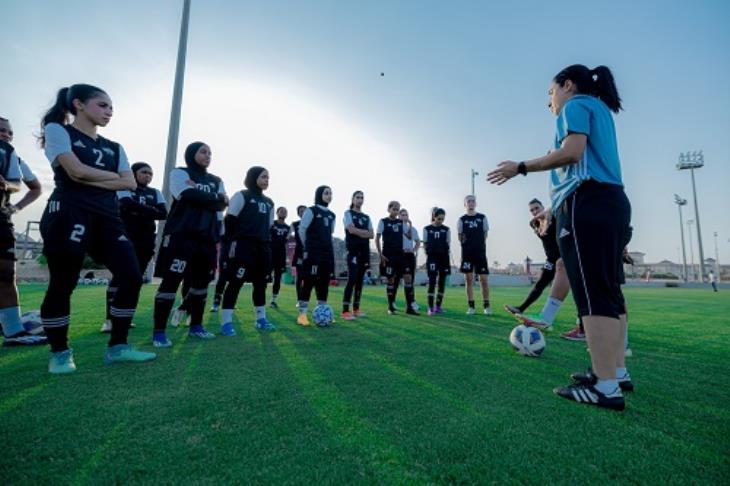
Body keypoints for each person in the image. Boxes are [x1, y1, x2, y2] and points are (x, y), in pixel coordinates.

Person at [488, 64, 632, 410]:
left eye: (550, 93)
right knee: (610, 291)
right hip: (609, 201)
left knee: (593, 294)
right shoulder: (599, 109)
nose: (549, 102)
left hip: (588, 202)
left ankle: (605, 387)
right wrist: (555, 208)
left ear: (567, 85)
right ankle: (616, 372)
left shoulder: (576, 106)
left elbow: (572, 153)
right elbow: (581, 166)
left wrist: (519, 167)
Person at [39, 84, 156, 373]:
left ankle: (118, 347)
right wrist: (109, 176)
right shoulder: (58, 130)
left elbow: (129, 183)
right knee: (63, 282)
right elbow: (74, 171)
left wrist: (90, 176)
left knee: (130, 275)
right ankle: (60, 353)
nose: (109, 111)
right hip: (69, 212)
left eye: (111, 107)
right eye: (102, 105)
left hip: (107, 216)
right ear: (78, 104)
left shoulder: (115, 147)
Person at [152, 141, 227, 347]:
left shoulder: (216, 180)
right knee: (171, 282)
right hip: (182, 236)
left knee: (201, 285)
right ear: (192, 153)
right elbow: (185, 194)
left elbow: (223, 203)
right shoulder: (179, 173)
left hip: (207, 239)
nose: (208, 155)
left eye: (210, 152)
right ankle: (159, 332)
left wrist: (208, 197)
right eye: (203, 152)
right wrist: (213, 197)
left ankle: (196, 326)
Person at [101, 162, 167, 333]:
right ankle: (109, 319)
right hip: (124, 239)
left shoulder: (155, 192)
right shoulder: (124, 186)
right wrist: (148, 210)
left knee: (136, 280)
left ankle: (125, 318)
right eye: (144, 172)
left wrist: (139, 210)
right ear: (134, 173)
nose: (148, 176)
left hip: (145, 242)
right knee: (120, 277)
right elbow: (125, 204)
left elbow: (163, 213)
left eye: (150, 173)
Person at [0, 118, 46, 347]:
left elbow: (29, 186)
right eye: (1, 130)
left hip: (1, 219)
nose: (6, 135)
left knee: (7, 273)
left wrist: (14, 204)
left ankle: (13, 332)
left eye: (10, 132)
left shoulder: (11, 155)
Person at [219, 166, 275, 334]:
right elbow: (230, 221)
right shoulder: (242, 195)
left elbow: (269, 225)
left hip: (262, 248)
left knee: (261, 284)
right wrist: (232, 243)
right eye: (263, 177)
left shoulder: (269, 202)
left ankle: (261, 319)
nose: (266, 180)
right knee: (236, 282)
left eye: (268, 178)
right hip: (243, 246)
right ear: (253, 177)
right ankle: (226, 322)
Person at [504, 198, 570, 330]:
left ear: (542, 207)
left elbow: (552, 206)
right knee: (540, 284)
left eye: (537, 208)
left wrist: (546, 215)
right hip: (551, 259)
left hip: (565, 257)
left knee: (577, 287)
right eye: (532, 210)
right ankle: (520, 308)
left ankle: (582, 322)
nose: (534, 212)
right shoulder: (533, 224)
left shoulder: (554, 216)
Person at [296, 186, 335, 326]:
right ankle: (302, 316)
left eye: (330, 193)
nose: (329, 196)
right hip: (313, 252)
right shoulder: (311, 210)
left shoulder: (332, 215)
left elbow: (329, 234)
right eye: (326, 193)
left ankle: (323, 312)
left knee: (324, 283)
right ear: (319, 194)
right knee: (309, 282)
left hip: (326, 253)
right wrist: (308, 245)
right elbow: (302, 229)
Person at [342, 191, 373, 320]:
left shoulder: (367, 217)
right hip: (353, 251)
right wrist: (363, 232)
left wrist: (358, 232)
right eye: (358, 197)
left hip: (364, 251)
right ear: (353, 199)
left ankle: (356, 309)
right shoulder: (348, 213)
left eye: (362, 197)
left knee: (360, 281)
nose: (360, 200)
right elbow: (351, 229)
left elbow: (371, 234)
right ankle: (345, 311)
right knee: (352, 279)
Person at [458, 195, 492, 315]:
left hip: (480, 253)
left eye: (473, 201)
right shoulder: (462, 219)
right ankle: (471, 306)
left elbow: (485, 235)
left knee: (483, 279)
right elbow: (460, 236)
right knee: (468, 279)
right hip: (467, 253)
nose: (471, 203)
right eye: (468, 201)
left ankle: (486, 305)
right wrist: (467, 246)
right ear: (465, 204)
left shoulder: (482, 217)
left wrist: (478, 245)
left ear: (475, 203)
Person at [375, 201, 406, 315]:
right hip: (388, 255)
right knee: (390, 279)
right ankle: (390, 306)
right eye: (394, 209)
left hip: (399, 255)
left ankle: (393, 302)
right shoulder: (383, 221)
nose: (396, 211)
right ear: (389, 209)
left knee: (398, 278)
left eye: (397, 209)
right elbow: (377, 238)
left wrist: (409, 224)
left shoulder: (400, 222)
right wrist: (380, 253)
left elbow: (408, 236)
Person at [423, 208, 451, 315]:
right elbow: (425, 244)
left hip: (444, 258)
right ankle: (430, 308)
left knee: (442, 283)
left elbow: (448, 243)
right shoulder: (427, 229)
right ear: (434, 216)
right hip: (432, 258)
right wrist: (430, 253)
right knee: (432, 281)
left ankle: (438, 307)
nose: (441, 221)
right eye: (439, 218)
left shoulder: (446, 229)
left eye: (443, 219)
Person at [399, 208, 420, 315]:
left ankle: (411, 302)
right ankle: (393, 304)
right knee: (405, 278)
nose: (404, 217)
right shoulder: (397, 228)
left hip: (410, 256)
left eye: (406, 214)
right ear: (399, 216)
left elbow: (417, 242)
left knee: (411, 280)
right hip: (400, 256)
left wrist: (414, 250)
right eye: (402, 215)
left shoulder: (413, 229)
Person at [269, 206, 290, 308]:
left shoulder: (288, 228)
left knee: (277, 278)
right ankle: (260, 299)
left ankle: (273, 300)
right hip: (269, 253)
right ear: (277, 213)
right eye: (281, 211)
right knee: (264, 277)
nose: (283, 213)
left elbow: (287, 240)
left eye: (285, 211)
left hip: (281, 255)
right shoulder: (272, 224)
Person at [290, 205, 307, 306]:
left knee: (309, 278)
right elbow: (287, 235)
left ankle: (305, 299)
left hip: (310, 253)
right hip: (299, 254)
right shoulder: (295, 224)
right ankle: (299, 300)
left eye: (305, 211)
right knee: (299, 277)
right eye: (301, 211)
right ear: (298, 213)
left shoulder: (312, 224)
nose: (303, 213)